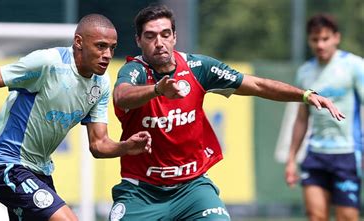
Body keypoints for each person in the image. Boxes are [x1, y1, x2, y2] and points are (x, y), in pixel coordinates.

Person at [109, 5, 345, 221]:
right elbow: (121, 95)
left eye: (165, 34)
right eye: (150, 36)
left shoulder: (198, 68)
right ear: (139, 40)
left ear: (175, 37)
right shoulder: (135, 71)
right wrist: (158, 89)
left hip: (191, 189)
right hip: (141, 192)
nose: (159, 42)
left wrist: (304, 95)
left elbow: (257, 85)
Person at [0, 14, 152, 221]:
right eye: (100, 46)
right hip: (6, 164)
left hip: (39, 171)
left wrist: (126, 147)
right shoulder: (49, 63)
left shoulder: (101, 84)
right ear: (79, 42)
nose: (107, 54)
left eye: (112, 48)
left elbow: (99, 144)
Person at [284, 13, 363, 221]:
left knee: (347, 217)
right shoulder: (304, 72)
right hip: (316, 155)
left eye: (325, 39)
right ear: (309, 40)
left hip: (347, 155)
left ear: (336, 37)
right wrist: (291, 159)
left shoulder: (354, 66)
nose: (320, 45)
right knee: (315, 216)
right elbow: (301, 119)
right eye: (315, 39)